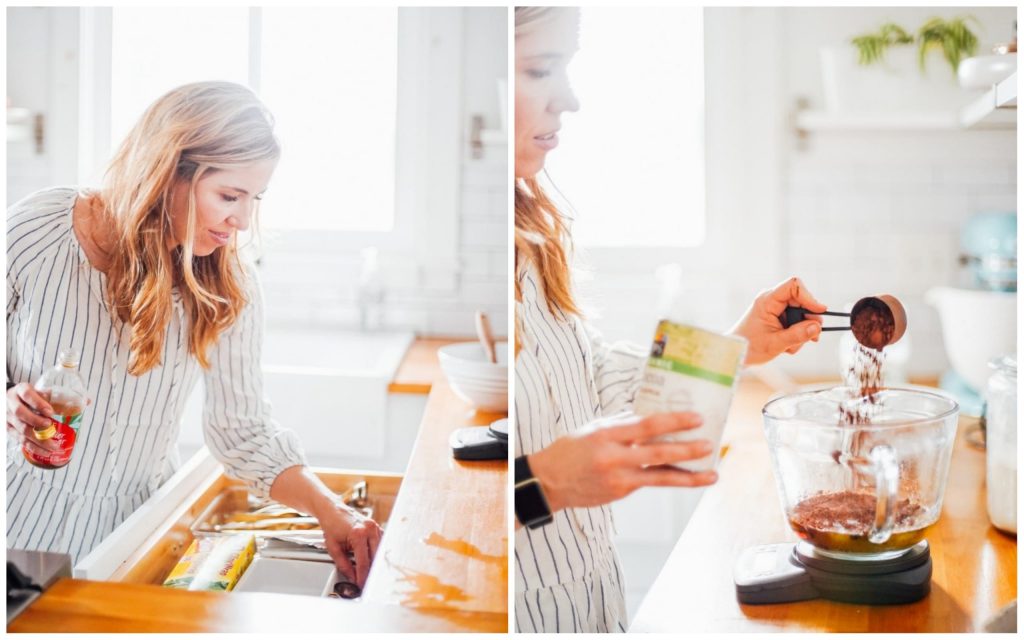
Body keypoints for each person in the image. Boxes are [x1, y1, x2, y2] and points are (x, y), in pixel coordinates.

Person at [513, 8, 826, 633]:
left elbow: (591, 377)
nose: (569, 100)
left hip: (587, 593)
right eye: (541, 69)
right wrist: (542, 483)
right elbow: (494, 486)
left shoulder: (531, 236)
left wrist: (738, 345)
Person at [6, 81, 381, 588]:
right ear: (168, 174)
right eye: (229, 195)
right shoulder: (35, 230)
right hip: (19, 523)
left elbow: (243, 432)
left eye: (254, 199)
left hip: (136, 538)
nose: (243, 221)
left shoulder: (229, 283)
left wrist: (332, 511)